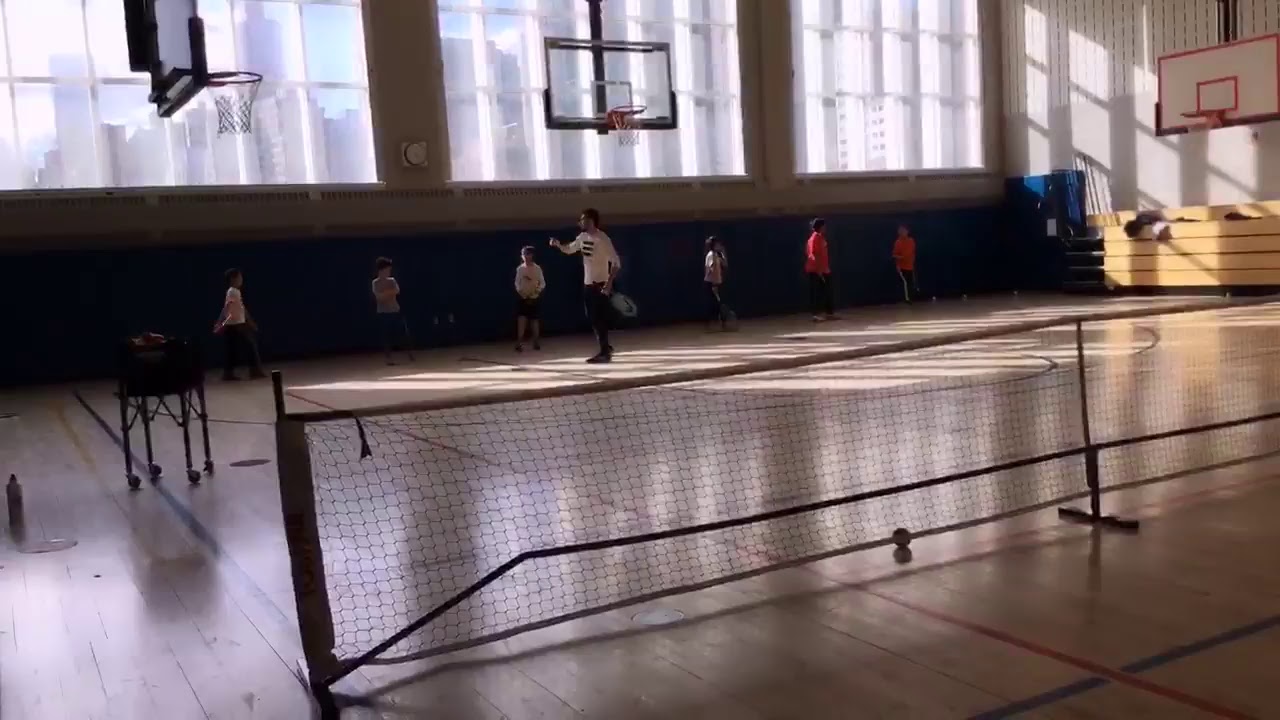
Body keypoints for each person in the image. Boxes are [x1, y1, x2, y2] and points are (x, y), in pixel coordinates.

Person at [550, 208, 621, 363]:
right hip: (588, 284)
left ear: (591, 220)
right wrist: (558, 245)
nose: (581, 222)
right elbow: (570, 249)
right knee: (593, 317)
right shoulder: (582, 237)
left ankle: (604, 352)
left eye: (583, 219)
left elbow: (616, 262)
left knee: (598, 318)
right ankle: (606, 347)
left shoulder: (602, 238)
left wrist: (609, 283)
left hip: (600, 285)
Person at [212, 268, 264, 381]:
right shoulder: (233, 291)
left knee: (232, 350)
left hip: (233, 323)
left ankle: (228, 374)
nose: (241, 279)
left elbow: (236, 307)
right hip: (237, 324)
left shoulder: (233, 291)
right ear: (233, 279)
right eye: (240, 277)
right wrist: (220, 321)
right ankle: (254, 371)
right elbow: (229, 307)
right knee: (250, 346)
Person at [372, 257, 414, 365]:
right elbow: (379, 297)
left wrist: (386, 293)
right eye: (387, 269)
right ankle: (388, 358)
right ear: (381, 270)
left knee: (404, 333)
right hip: (383, 313)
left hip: (395, 311)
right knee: (386, 337)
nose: (389, 272)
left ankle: (409, 353)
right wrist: (389, 293)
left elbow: (397, 290)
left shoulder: (392, 280)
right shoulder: (375, 283)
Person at [514, 245, 546, 352]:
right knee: (521, 320)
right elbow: (517, 283)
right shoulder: (520, 269)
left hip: (534, 298)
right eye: (524, 254)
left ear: (532, 255)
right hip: (523, 298)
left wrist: (536, 292)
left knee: (534, 320)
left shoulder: (537, 269)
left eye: (528, 254)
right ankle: (519, 342)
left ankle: (536, 342)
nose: (526, 257)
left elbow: (542, 283)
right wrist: (521, 292)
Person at [806, 218, 835, 321]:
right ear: (820, 227)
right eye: (823, 226)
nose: (825, 227)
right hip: (816, 270)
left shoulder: (821, 238)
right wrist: (818, 269)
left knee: (828, 291)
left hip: (824, 269)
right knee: (816, 293)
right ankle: (815, 315)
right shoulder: (814, 238)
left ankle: (829, 313)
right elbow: (811, 254)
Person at [704, 236, 731, 331]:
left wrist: (723, 253)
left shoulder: (717, 255)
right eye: (717, 244)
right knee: (716, 304)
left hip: (717, 283)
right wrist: (713, 284)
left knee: (719, 304)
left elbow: (725, 264)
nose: (719, 245)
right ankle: (712, 324)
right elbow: (711, 269)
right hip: (712, 283)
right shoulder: (711, 255)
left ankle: (721, 324)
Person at [892, 225, 919, 303]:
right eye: (901, 231)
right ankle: (907, 299)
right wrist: (898, 264)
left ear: (907, 231)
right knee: (905, 282)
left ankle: (911, 297)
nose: (903, 232)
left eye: (904, 231)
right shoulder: (897, 242)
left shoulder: (911, 241)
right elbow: (895, 254)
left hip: (910, 265)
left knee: (911, 283)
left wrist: (903, 257)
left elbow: (910, 252)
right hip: (902, 266)